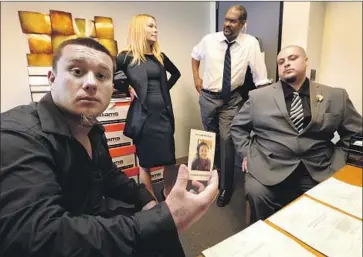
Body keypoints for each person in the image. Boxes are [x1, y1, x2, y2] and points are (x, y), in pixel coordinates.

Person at [0, 37, 219, 257]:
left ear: (112, 87)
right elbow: (41, 239)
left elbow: (108, 174)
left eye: (101, 75)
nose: (90, 83)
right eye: (77, 71)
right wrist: (165, 217)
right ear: (52, 78)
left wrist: (147, 201)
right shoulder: (17, 137)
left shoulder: (92, 129)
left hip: (95, 215)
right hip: (65, 236)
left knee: (165, 238)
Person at [231, 45, 362, 224]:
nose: (286, 64)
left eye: (292, 58)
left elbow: (356, 132)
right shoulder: (258, 97)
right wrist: (247, 153)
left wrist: (339, 161)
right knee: (256, 193)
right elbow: (238, 128)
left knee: (332, 206)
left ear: (306, 61)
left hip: (320, 167)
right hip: (269, 166)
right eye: (281, 62)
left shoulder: (335, 96)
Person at [191, 4, 271, 207]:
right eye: (226, 19)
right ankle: (209, 178)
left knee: (227, 139)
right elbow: (195, 56)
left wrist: (266, 102)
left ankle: (225, 186)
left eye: (233, 21)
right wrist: (196, 79)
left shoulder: (250, 43)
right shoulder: (209, 40)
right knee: (209, 138)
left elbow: (260, 77)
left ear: (243, 24)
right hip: (207, 97)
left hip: (231, 99)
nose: (227, 24)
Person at [116, 14, 181, 200]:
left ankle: (168, 193)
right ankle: (150, 200)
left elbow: (176, 74)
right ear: (139, 29)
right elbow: (110, 77)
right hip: (143, 118)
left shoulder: (159, 57)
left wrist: (163, 92)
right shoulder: (125, 57)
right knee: (146, 163)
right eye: (151, 26)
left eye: (156, 26)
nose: (156, 30)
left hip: (163, 116)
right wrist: (127, 87)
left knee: (169, 161)